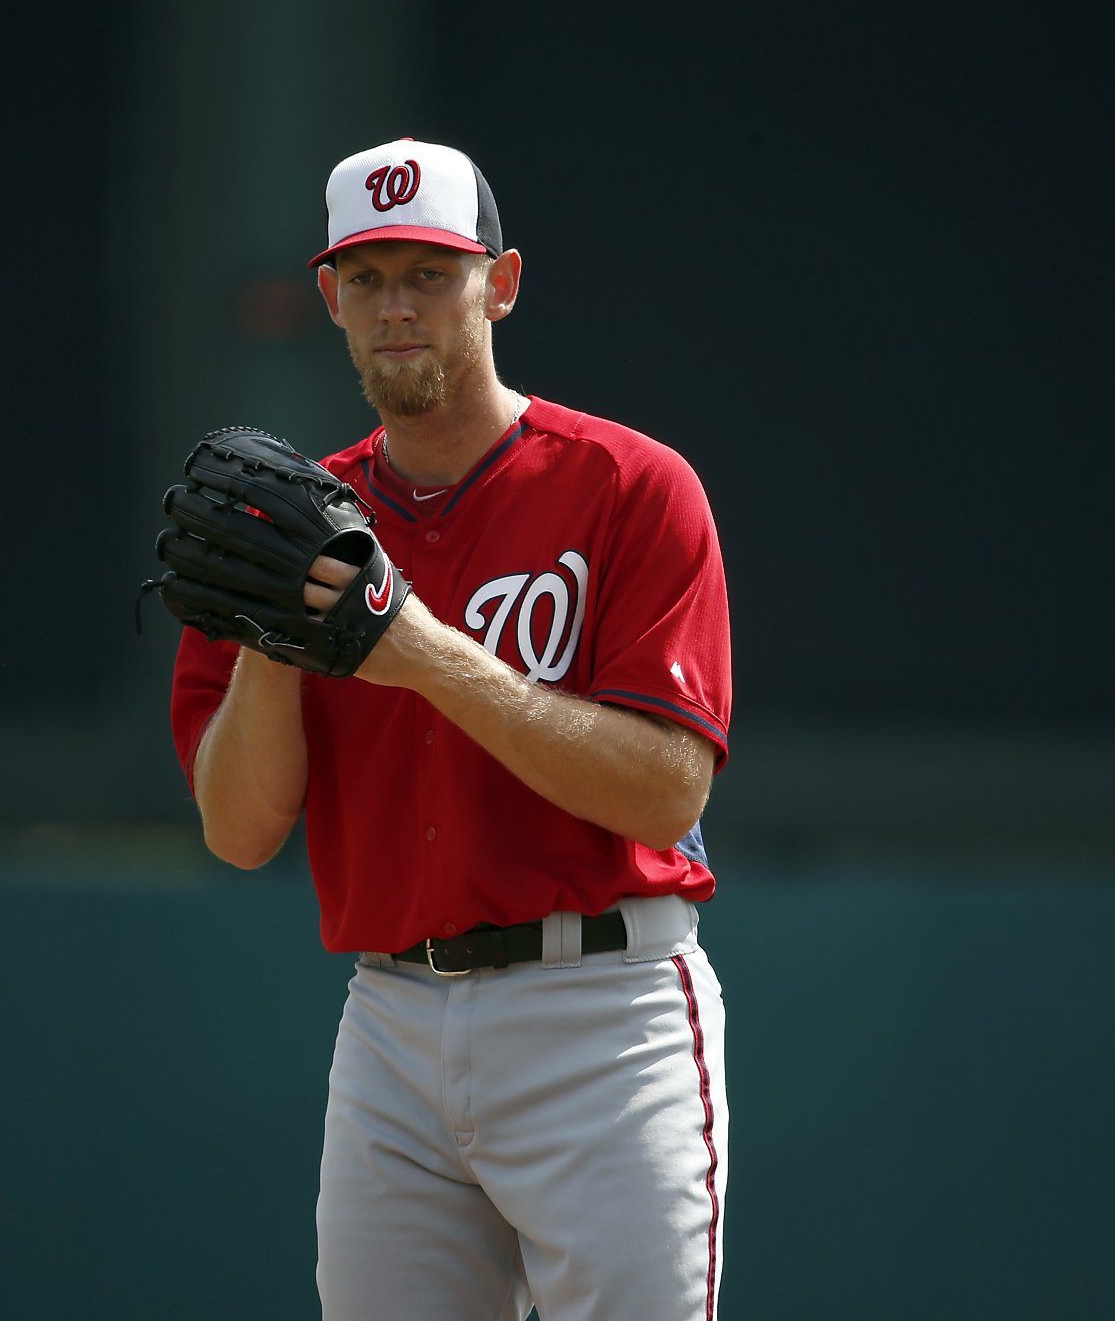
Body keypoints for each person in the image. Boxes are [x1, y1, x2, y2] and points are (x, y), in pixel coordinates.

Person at [169, 138, 733, 1320]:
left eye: (430, 271)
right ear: (329, 298)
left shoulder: (630, 486)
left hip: (602, 1014)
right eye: (366, 279)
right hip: (391, 1018)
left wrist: (415, 649)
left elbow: (666, 790)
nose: (396, 308)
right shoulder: (291, 522)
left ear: (501, 281)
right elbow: (235, 830)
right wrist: (279, 635)